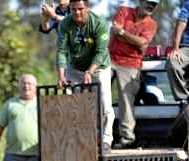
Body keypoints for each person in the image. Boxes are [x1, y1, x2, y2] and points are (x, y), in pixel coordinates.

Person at [56, 0, 114, 152]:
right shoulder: (65, 24)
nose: (77, 13)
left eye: (80, 9)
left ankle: (106, 140)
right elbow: (61, 51)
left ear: (87, 8)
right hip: (75, 67)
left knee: (104, 104)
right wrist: (61, 76)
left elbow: (101, 52)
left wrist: (90, 71)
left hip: (98, 68)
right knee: (71, 103)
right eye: (73, 9)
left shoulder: (99, 24)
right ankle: (76, 139)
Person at [109, 0, 159, 149]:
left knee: (125, 98)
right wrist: (134, 40)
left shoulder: (152, 24)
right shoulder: (124, 10)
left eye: (154, 4)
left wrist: (122, 33)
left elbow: (142, 43)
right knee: (95, 90)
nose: (151, 6)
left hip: (131, 64)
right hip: (109, 59)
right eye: (149, 2)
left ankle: (127, 139)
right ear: (140, 1)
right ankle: (92, 132)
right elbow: (113, 30)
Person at [167, 0, 189, 102]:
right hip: (186, 48)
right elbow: (181, 23)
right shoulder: (188, 3)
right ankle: (184, 101)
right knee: (173, 62)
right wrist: (175, 48)